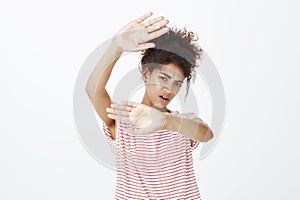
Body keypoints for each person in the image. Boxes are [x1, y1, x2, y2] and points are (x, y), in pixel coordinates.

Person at [85, 12, 213, 200]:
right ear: (146, 74)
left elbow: (206, 134)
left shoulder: (181, 123)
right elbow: (92, 90)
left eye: (177, 83)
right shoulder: (124, 121)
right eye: (164, 78)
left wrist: (165, 121)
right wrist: (116, 47)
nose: (169, 89)